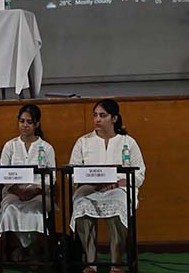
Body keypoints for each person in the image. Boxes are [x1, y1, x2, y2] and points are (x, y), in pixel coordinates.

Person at [70, 99, 146, 273]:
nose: (97, 119)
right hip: (90, 188)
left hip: (118, 189)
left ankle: (116, 264)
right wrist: (93, 182)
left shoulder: (127, 142)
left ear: (114, 118)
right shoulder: (83, 142)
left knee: (118, 208)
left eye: (102, 115)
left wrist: (118, 183)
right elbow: (73, 172)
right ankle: (91, 263)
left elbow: (139, 173)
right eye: (95, 115)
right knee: (81, 207)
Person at [0, 104, 56, 262]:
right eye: (22, 121)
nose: (25, 125)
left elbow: (51, 177)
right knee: (10, 209)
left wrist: (34, 191)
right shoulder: (10, 146)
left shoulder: (46, 148)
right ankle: (24, 247)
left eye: (29, 122)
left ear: (37, 124)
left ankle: (33, 249)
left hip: (39, 193)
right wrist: (18, 191)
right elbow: (3, 174)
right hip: (14, 192)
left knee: (36, 210)